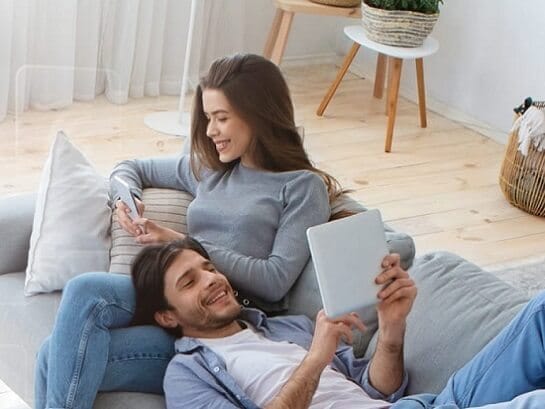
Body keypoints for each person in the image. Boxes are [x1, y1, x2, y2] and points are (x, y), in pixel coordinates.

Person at [35, 53, 348, 409]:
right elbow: (130, 167)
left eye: (221, 118)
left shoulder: (301, 187)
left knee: (57, 347)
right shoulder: (212, 170)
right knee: (68, 324)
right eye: (208, 118)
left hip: (225, 323)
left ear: (258, 116)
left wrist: (185, 245)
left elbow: (275, 279)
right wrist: (127, 198)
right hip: (177, 300)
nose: (210, 130)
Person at [133, 238, 545, 409]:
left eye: (208, 268)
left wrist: (392, 329)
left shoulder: (289, 327)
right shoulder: (187, 373)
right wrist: (314, 361)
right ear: (167, 316)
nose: (212, 280)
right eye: (190, 282)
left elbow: (373, 388)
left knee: (540, 312)